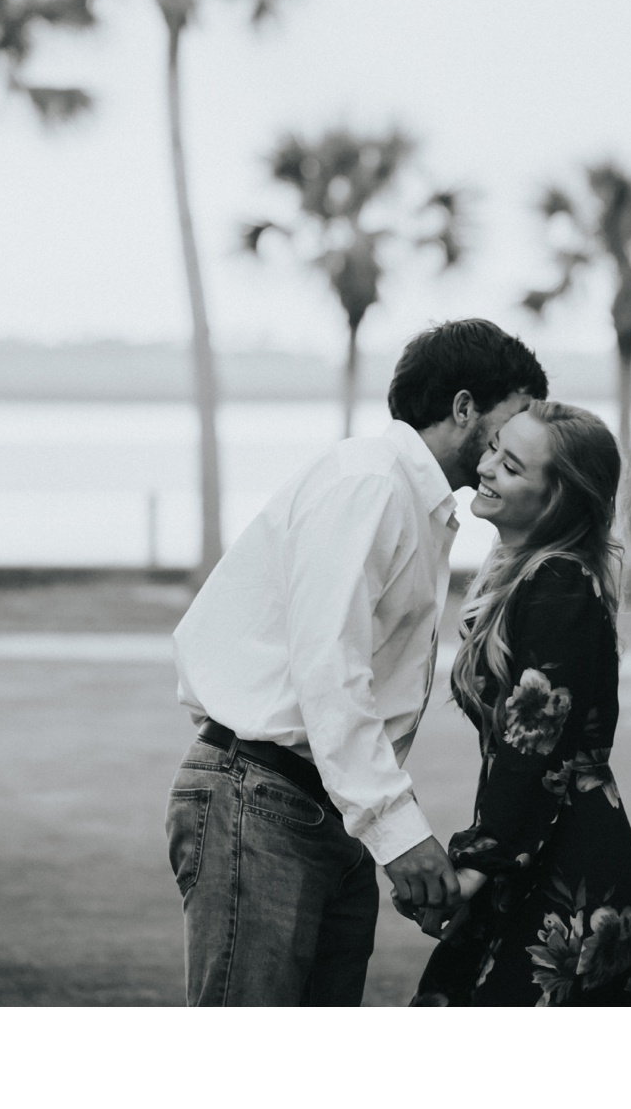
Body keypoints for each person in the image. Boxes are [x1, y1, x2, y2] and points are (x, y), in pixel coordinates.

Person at [166, 319, 547, 1005]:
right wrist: (397, 833)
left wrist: (376, 827)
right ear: (464, 408)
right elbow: (329, 668)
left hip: (322, 807)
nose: (521, 437)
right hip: (261, 794)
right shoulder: (368, 482)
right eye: (515, 415)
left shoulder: (411, 501)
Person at [411, 400, 631, 1004]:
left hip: (566, 867)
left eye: (513, 465)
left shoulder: (558, 586)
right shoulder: (532, 578)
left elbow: (533, 748)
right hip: (537, 851)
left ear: (557, 498)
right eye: (495, 449)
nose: (487, 467)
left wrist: (478, 863)